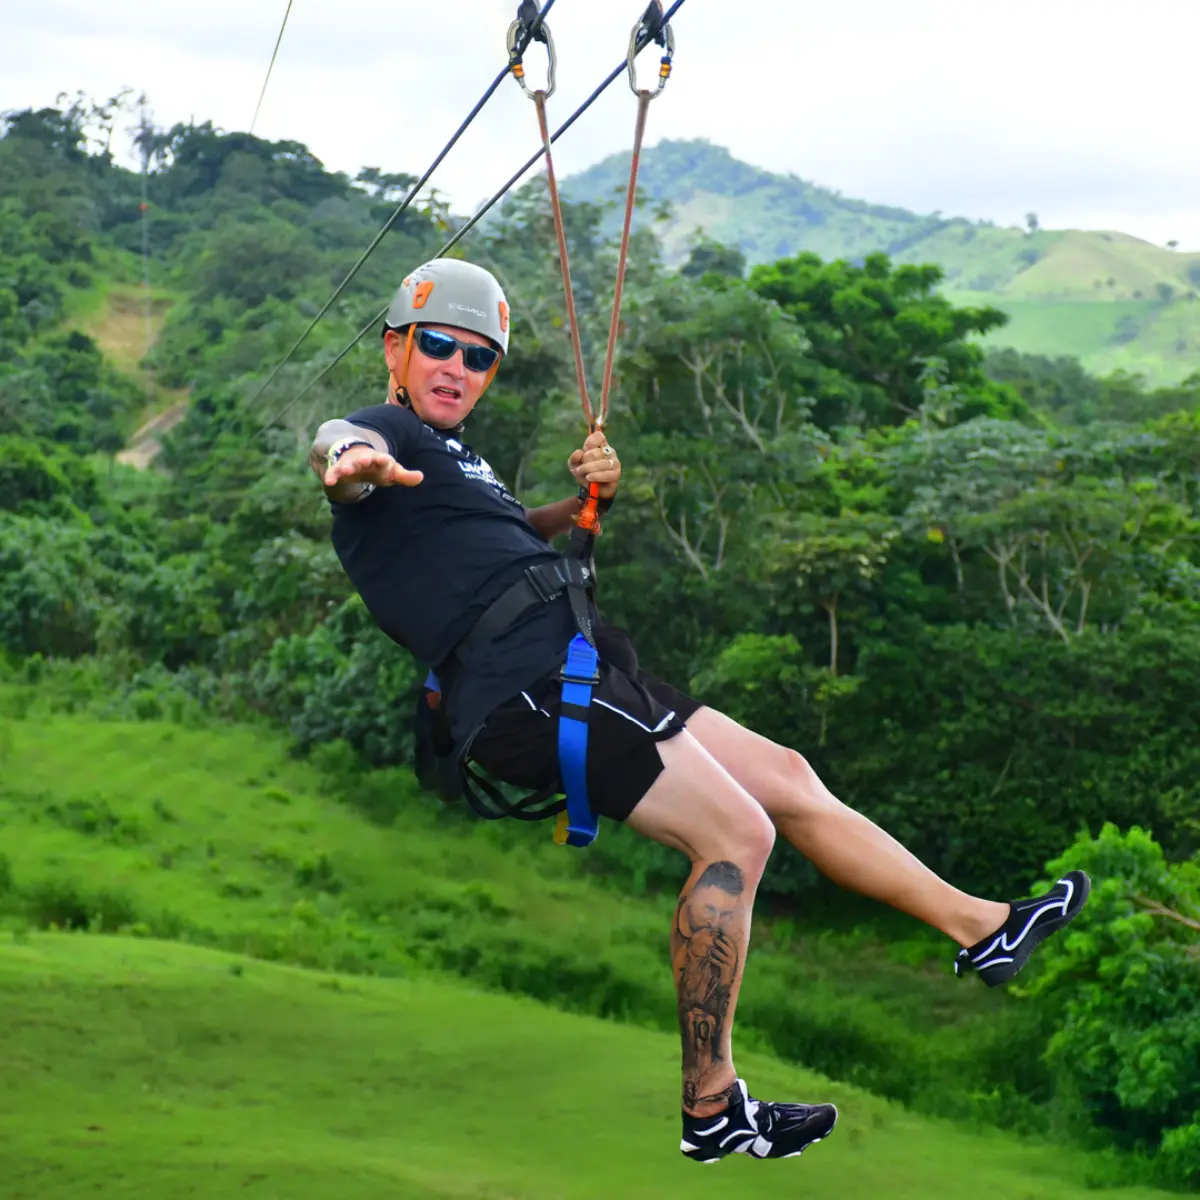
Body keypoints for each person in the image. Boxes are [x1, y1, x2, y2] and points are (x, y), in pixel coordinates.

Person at [310, 258, 1091, 1164]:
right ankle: (710, 1102)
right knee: (739, 837)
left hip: (585, 663)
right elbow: (340, 454)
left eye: (478, 357)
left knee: (788, 780)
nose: (456, 367)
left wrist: (583, 502)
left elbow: (499, 532)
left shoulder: (456, 464)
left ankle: (986, 929)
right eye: (436, 346)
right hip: (528, 690)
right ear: (394, 348)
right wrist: (348, 462)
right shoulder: (380, 434)